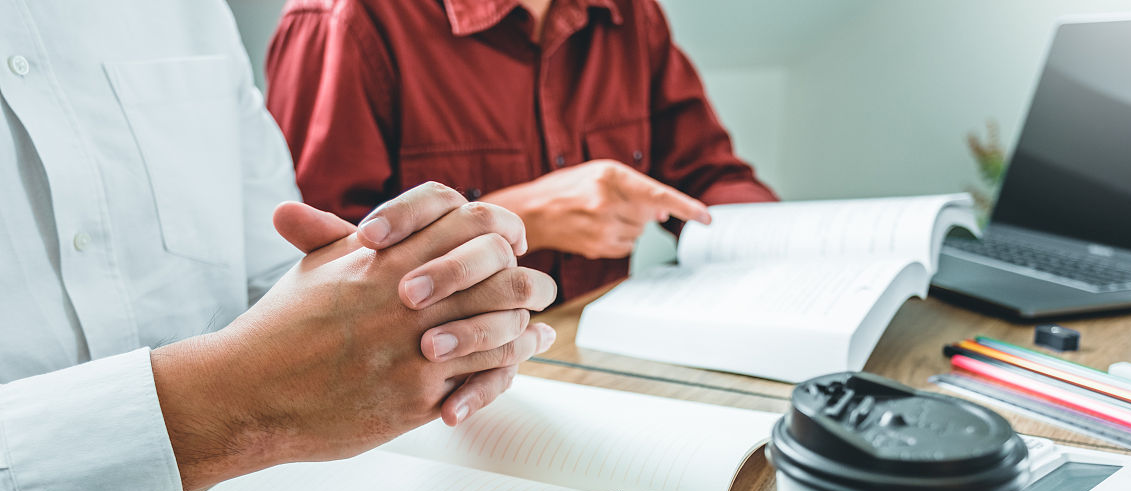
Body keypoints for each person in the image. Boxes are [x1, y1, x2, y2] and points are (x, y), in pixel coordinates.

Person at [0, 0, 557, 491]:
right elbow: (269, 366)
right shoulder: (347, 21)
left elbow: (279, 281)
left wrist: (412, 316)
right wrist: (227, 400)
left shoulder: (190, 13)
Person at [265, 0, 779, 302]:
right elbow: (316, 286)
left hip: (599, 365)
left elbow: (707, 176)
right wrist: (523, 217)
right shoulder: (343, 22)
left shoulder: (631, 13)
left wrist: (792, 244)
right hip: (427, 405)